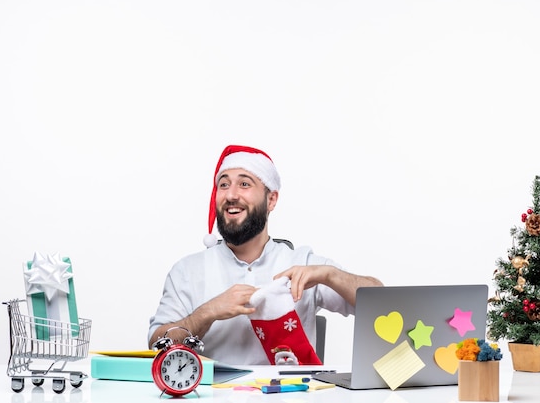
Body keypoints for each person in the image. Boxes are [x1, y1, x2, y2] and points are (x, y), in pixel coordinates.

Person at [148, 144, 383, 365]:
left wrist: (331, 276)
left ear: (271, 200)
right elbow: (155, 347)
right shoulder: (187, 271)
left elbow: (383, 305)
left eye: (244, 184)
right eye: (223, 184)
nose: (231, 195)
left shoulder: (303, 263)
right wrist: (208, 312)